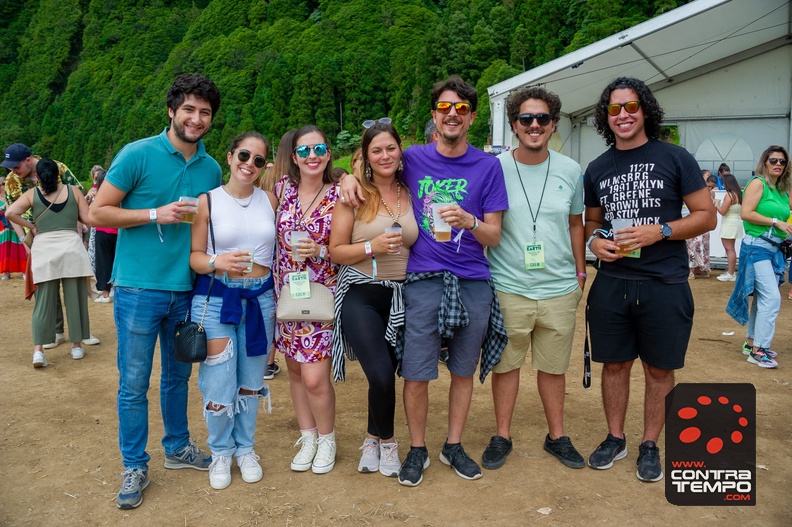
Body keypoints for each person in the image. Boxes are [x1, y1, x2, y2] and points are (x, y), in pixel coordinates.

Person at [339, 75, 509, 487]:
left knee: (463, 370)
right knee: (416, 371)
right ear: (434, 116)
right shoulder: (413, 157)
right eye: (445, 108)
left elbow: (494, 235)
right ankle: (417, 448)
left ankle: (453, 444)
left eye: (462, 109)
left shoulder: (489, 167)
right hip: (422, 280)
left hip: (471, 279)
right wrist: (346, 178)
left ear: (471, 117)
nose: (453, 115)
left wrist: (470, 222)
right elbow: (369, 163)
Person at [89, 73, 221, 509]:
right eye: (188, 109)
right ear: (172, 110)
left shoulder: (211, 167)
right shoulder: (138, 154)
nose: (196, 119)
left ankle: (178, 447)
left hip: (184, 289)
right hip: (137, 288)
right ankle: (134, 464)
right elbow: (96, 212)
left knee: (178, 376)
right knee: (133, 382)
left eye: (204, 112)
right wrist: (153, 213)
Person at [583, 77, 715, 483]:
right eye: (614, 109)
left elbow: (706, 215)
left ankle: (650, 444)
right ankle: (615, 437)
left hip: (664, 281)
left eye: (631, 106)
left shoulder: (675, 157)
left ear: (645, 110)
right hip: (613, 281)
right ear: (606, 117)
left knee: (659, 370)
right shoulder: (598, 167)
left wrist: (659, 230)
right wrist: (594, 241)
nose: (623, 115)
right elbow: (592, 220)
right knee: (615, 365)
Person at [482, 86, 586, 471]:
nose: (535, 125)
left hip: (559, 287)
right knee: (506, 365)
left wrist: (580, 270)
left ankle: (556, 436)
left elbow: (576, 223)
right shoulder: (495, 168)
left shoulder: (571, 170)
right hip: (509, 285)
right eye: (526, 119)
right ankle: (502, 435)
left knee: (554, 367)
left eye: (543, 118)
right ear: (514, 125)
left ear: (554, 123)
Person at [329, 120, 418, 477]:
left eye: (390, 148)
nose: (384, 155)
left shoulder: (412, 191)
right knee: (381, 375)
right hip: (361, 293)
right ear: (365, 156)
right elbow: (335, 252)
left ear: (401, 152)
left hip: (403, 296)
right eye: (376, 150)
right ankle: (389, 444)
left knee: (389, 370)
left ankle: (370, 437)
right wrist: (371, 246)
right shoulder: (354, 195)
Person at [189, 132, 278, 490]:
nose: (250, 164)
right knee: (219, 379)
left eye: (258, 160)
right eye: (244, 155)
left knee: (252, 381)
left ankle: (245, 449)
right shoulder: (206, 201)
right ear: (229, 157)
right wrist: (217, 260)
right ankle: (221, 451)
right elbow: (195, 258)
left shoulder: (270, 199)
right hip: (216, 297)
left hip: (261, 298)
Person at [274, 125, 340, 474]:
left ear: (328, 153)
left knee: (315, 378)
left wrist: (321, 249)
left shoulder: (341, 193)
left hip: (321, 298)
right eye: (303, 150)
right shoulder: (282, 189)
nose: (311, 156)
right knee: (296, 372)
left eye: (318, 149)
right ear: (294, 157)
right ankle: (308, 436)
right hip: (286, 294)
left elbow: (345, 246)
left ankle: (327, 439)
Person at [2, 143, 96, 348]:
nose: (13, 171)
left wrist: (78, 230)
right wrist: (25, 240)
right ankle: (57, 331)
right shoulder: (11, 181)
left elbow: (78, 197)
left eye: (16, 166)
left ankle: (80, 334)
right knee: (47, 287)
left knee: (72, 286)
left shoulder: (59, 168)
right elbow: (11, 211)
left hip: (66, 229)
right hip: (36, 233)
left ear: (28, 160)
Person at [726, 146, 792, 368]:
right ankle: (758, 351)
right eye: (773, 160)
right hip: (757, 248)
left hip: (773, 249)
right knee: (772, 298)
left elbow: (787, 212)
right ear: (765, 162)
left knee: (764, 299)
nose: (778, 164)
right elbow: (746, 213)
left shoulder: (781, 190)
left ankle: (752, 343)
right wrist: (776, 222)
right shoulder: (758, 183)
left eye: (782, 161)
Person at [259, 130, 296, 380]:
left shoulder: (268, 177)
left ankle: (267, 363)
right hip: (287, 253)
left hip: (266, 251)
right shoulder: (294, 181)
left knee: (271, 307)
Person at [91, 170, 118, 303]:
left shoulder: (98, 196)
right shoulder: (118, 194)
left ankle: (105, 293)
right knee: (115, 261)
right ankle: (114, 289)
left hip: (102, 231)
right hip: (118, 232)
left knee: (103, 262)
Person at [716, 173, 744, 281]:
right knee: (730, 249)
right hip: (735, 222)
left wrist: (716, 204)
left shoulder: (729, 195)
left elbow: (723, 211)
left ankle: (731, 273)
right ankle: (731, 272)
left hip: (729, 223)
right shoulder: (738, 194)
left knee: (729, 249)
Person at [0, 176, 26, 280]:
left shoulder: (13, 195)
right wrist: (3, 207)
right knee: (5, 247)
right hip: (3, 226)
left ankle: (24, 269)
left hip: (16, 224)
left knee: (20, 245)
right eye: (3, 184)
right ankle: (6, 271)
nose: (5, 186)